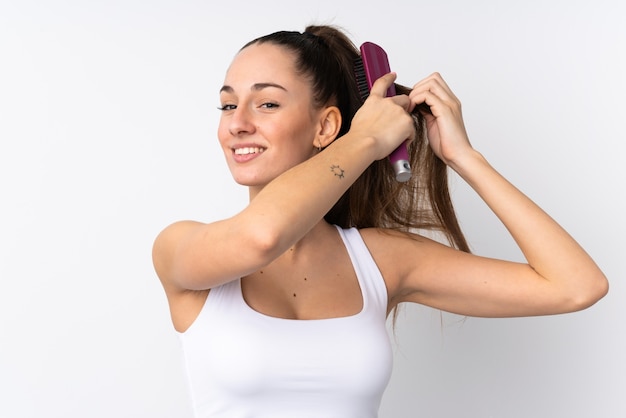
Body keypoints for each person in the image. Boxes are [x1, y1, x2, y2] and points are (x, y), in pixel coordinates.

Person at [152, 25, 608, 418]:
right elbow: (261, 237)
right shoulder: (182, 248)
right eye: (228, 106)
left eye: (266, 104)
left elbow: (575, 285)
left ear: (326, 128)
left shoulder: (379, 260)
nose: (237, 124)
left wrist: (465, 158)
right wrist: (367, 139)